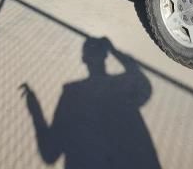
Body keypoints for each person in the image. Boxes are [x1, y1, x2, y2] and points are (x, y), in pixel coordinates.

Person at [20, 37, 160, 168]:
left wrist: (35, 110)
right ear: (105, 56)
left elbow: (50, 153)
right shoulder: (120, 87)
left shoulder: (73, 95)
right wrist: (114, 51)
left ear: (84, 59)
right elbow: (143, 83)